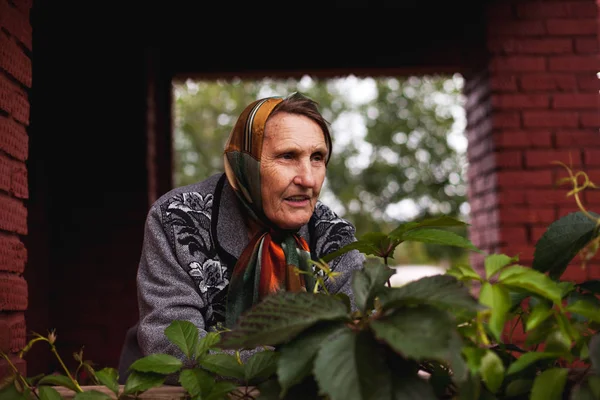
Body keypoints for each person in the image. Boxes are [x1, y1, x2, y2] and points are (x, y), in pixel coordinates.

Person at [117, 92, 365, 383]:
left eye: (318, 158)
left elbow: (360, 339)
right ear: (243, 162)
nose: (308, 179)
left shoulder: (332, 235)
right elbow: (172, 344)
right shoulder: (178, 218)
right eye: (288, 156)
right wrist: (291, 362)